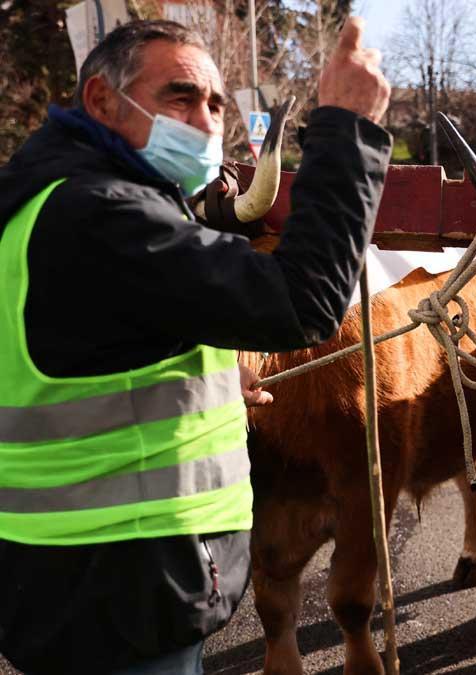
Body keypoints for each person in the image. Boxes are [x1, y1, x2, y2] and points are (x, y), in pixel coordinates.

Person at [0, 17, 390, 674]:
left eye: (215, 102)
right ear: (100, 100)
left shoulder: (39, 201)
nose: (207, 119)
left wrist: (207, 374)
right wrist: (346, 130)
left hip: (69, 575)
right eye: (180, 96)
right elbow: (305, 302)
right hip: (120, 587)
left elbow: (88, 350)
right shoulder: (101, 212)